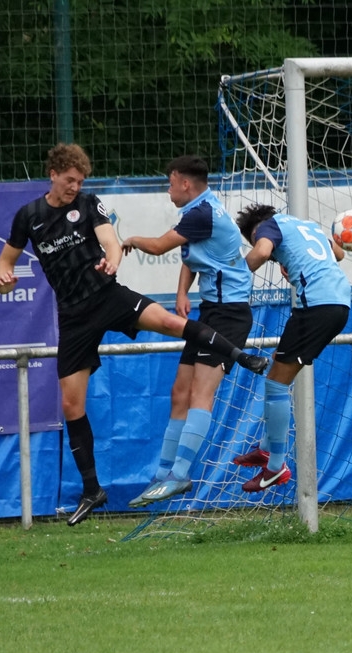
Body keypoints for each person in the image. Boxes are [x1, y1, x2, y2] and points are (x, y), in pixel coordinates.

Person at [0, 144, 268, 526]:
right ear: (53, 174)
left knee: (171, 327)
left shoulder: (90, 204)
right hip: (73, 316)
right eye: (70, 180)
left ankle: (242, 359)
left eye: (80, 181)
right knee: (74, 405)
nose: (75, 187)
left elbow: (111, 241)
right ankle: (95, 489)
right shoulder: (29, 217)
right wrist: (3, 277)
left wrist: (114, 258)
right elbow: (5, 261)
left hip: (110, 297)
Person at [119, 156, 255, 506]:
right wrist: (182, 292)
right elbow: (192, 256)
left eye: (170, 183)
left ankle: (180, 474)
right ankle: (163, 474)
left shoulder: (203, 213)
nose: (168, 190)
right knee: (179, 392)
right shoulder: (199, 211)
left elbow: (159, 246)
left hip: (229, 315)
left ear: (184, 183)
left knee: (200, 394)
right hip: (211, 313)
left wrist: (131, 239)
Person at [233, 204, 350, 492]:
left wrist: (233, 276)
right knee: (278, 370)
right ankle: (265, 449)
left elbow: (262, 252)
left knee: (275, 384)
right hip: (338, 302)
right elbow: (339, 253)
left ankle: (276, 467)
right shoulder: (306, 226)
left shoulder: (267, 228)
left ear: (255, 231)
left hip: (317, 306)